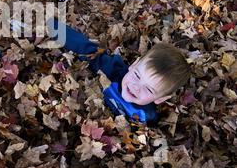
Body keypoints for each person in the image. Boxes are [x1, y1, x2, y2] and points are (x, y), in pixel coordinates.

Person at [46, 18, 192, 124]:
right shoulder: (111, 71)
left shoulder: (148, 116)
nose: (136, 86)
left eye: (149, 89)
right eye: (136, 75)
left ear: (160, 99)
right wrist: (53, 27)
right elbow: (86, 49)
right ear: (134, 65)